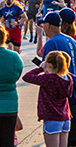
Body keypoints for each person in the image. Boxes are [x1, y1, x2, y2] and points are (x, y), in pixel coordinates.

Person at [39, 9, 76, 146]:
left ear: (48, 25)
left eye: (44, 24)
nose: (43, 28)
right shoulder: (71, 40)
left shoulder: (51, 43)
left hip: (58, 98)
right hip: (71, 90)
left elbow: (47, 71)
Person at [23, 51, 74, 147]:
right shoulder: (68, 78)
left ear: (49, 65)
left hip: (52, 118)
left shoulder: (48, 78)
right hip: (65, 117)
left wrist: (41, 68)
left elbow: (27, 77)